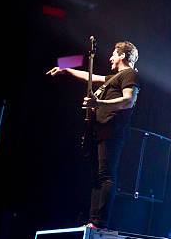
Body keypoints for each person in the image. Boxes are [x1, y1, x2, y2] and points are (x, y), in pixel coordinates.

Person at [46, 41, 140, 229]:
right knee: (98, 176)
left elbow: (128, 100)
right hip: (100, 130)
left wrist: (99, 104)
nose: (111, 57)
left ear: (122, 55)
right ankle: (93, 220)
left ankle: (99, 222)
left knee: (105, 175)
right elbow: (92, 77)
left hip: (111, 131)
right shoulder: (115, 76)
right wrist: (66, 69)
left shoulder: (129, 74)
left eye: (114, 53)